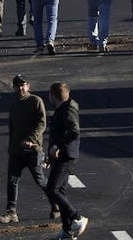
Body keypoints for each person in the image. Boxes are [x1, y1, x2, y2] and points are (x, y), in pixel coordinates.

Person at [0, 74, 51, 225]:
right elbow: (12, 128)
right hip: (16, 151)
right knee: (12, 180)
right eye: (18, 86)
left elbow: (41, 123)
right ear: (14, 88)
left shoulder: (35, 101)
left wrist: (31, 140)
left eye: (23, 85)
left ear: (28, 86)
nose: (21, 88)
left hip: (33, 150)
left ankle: (56, 203)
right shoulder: (14, 106)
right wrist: (11, 147)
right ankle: (11, 212)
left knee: (40, 180)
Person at [45, 82, 89, 239]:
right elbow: (57, 133)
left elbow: (74, 131)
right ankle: (67, 230)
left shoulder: (68, 109)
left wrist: (57, 146)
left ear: (53, 95)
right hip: (60, 154)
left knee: (53, 189)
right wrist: (50, 154)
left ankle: (77, 218)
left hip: (66, 154)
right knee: (60, 190)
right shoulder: (62, 109)